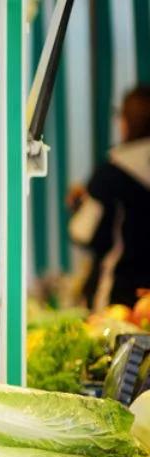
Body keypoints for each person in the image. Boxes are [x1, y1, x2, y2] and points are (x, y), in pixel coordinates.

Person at [69, 85, 150, 311]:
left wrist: (79, 205)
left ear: (125, 123)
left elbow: (82, 233)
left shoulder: (111, 174)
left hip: (116, 298)